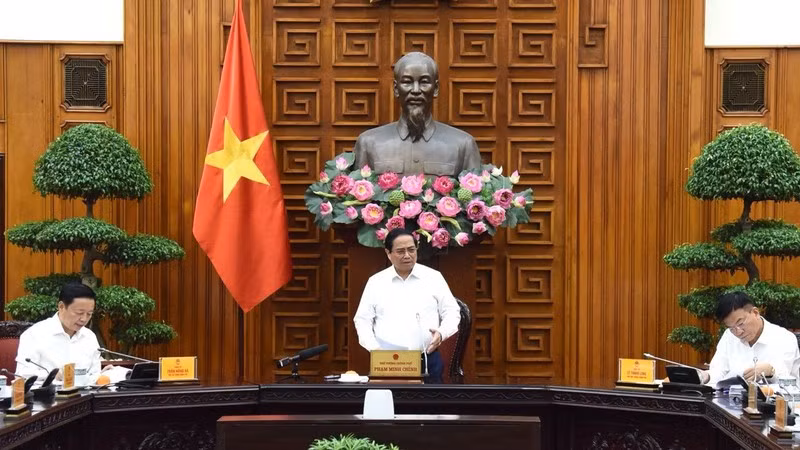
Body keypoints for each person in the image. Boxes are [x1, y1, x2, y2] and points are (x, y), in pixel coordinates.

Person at [353, 228, 461, 383]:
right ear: (388, 253)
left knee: (430, 406)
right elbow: (362, 320)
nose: (407, 256)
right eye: (400, 251)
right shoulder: (376, 282)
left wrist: (442, 333)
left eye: (411, 250)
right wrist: (375, 349)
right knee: (390, 407)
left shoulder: (433, 278)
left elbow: (452, 312)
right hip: (388, 362)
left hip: (426, 359)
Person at [353, 52, 482, 177]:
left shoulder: (463, 144)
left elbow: (476, 197)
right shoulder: (368, 143)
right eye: (407, 82)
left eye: (424, 82)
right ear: (396, 89)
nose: (415, 90)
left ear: (435, 88)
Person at [699, 291, 800, 387]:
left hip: (774, 403)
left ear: (755, 312)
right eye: (731, 328)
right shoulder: (728, 336)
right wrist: (706, 376)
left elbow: (786, 381)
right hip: (732, 400)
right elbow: (718, 371)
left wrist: (771, 371)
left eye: (740, 323)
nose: (738, 332)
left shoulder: (784, 338)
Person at [15, 282, 107, 385]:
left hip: (84, 396)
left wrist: (104, 375)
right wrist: (53, 375)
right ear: (61, 306)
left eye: (89, 314)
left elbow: (94, 374)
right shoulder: (35, 334)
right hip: (47, 397)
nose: (84, 319)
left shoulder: (89, 337)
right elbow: (21, 375)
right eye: (79, 313)